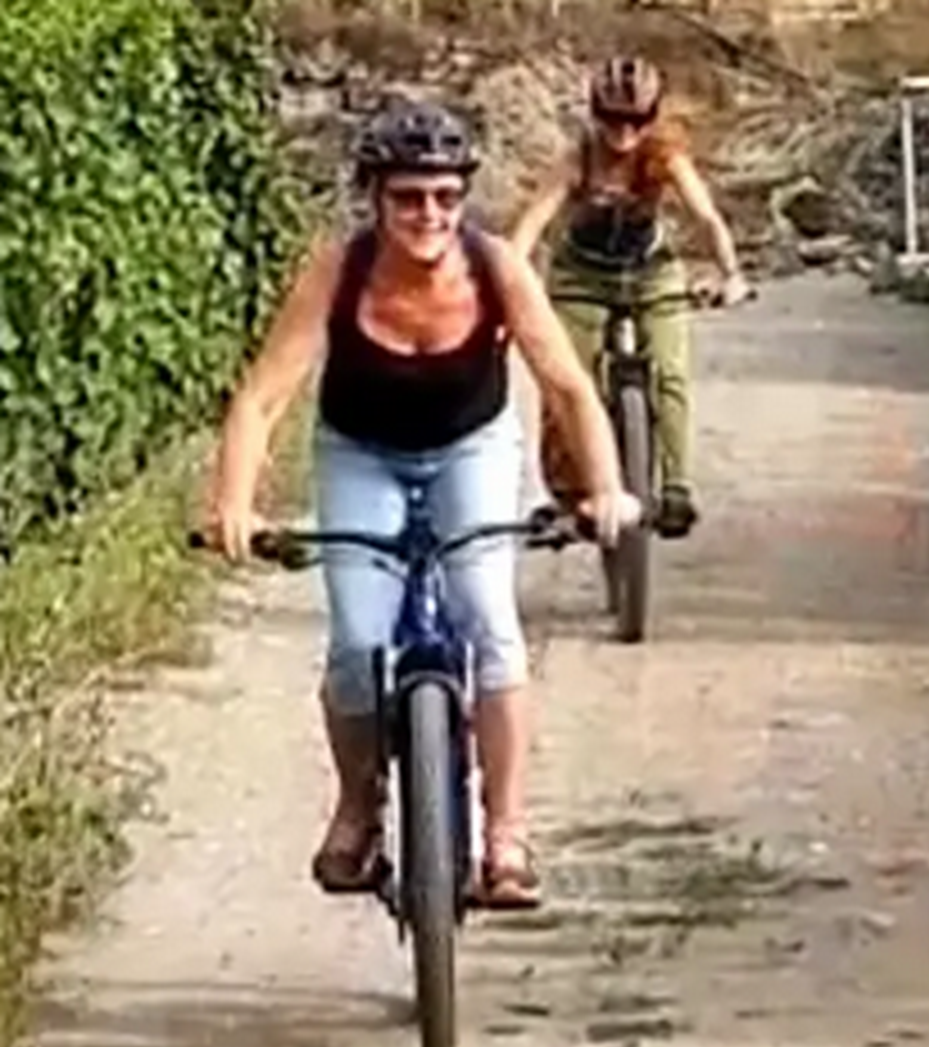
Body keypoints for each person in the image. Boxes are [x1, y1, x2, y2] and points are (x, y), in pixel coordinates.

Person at [203, 98, 641, 910]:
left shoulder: (497, 269)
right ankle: (358, 809)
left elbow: (571, 387)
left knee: (491, 621)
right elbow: (262, 399)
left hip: (472, 447)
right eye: (408, 197)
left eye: (446, 196)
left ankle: (505, 833)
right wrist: (233, 502)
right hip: (360, 452)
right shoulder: (338, 272)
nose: (429, 215)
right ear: (375, 197)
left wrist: (608, 489)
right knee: (357, 642)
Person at [508, 55, 753, 540]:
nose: (624, 134)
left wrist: (732, 274)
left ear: (652, 117)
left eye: (637, 121)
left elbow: (706, 217)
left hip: (651, 272)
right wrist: (509, 286)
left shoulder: (665, 155)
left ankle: (676, 488)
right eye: (612, 120)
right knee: (565, 379)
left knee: (670, 372)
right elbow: (530, 226)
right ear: (595, 115)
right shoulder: (578, 158)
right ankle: (568, 495)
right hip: (581, 275)